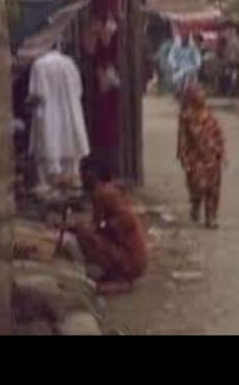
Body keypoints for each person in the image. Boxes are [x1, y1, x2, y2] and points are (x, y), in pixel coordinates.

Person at [68, 154, 149, 294]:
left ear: (92, 174)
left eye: (83, 173)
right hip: (131, 255)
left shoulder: (104, 193)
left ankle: (121, 279)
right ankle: (114, 274)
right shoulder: (103, 192)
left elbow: (123, 221)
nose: (81, 178)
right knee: (85, 233)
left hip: (132, 259)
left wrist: (98, 227)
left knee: (86, 237)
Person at [27, 44, 90, 192]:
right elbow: (79, 91)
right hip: (71, 117)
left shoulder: (39, 65)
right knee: (71, 163)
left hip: (49, 119)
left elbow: (38, 94)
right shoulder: (70, 64)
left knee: (49, 159)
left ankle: (51, 190)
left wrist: (27, 104)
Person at [177, 83, 226, 228]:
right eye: (198, 93)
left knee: (213, 189)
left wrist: (222, 152)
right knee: (197, 186)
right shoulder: (186, 117)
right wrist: (184, 158)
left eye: (202, 93)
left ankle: (211, 217)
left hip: (212, 157)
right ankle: (195, 204)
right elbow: (182, 140)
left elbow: (218, 134)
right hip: (195, 158)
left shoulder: (209, 115)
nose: (202, 96)